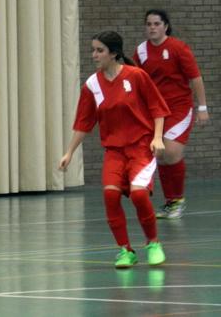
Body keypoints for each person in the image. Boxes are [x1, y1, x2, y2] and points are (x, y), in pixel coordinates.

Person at [58, 30, 170, 268]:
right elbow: (84, 123)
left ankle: (153, 243)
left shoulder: (136, 76)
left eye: (99, 50)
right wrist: (69, 152)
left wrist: (158, 138)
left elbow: (157, 108)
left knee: (139, 194)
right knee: (110, 195)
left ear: (114, 53)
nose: (94, 55)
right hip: (114, 152)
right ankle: (125, 250)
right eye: (93, 50)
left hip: (141, 147)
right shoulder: (92, 85)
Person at [133, 9, 209, 219]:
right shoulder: (140, 52)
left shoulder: (178, 48)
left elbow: (195, 78)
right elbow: (136, 80)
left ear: (165, 26)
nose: (152, 28)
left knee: (172, 151)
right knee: (161, 154)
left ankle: (177, 200)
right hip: (155, 111)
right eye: (148, 24)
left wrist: (202, 107)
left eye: (156, 24)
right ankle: (171, 202)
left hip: (179, 108)